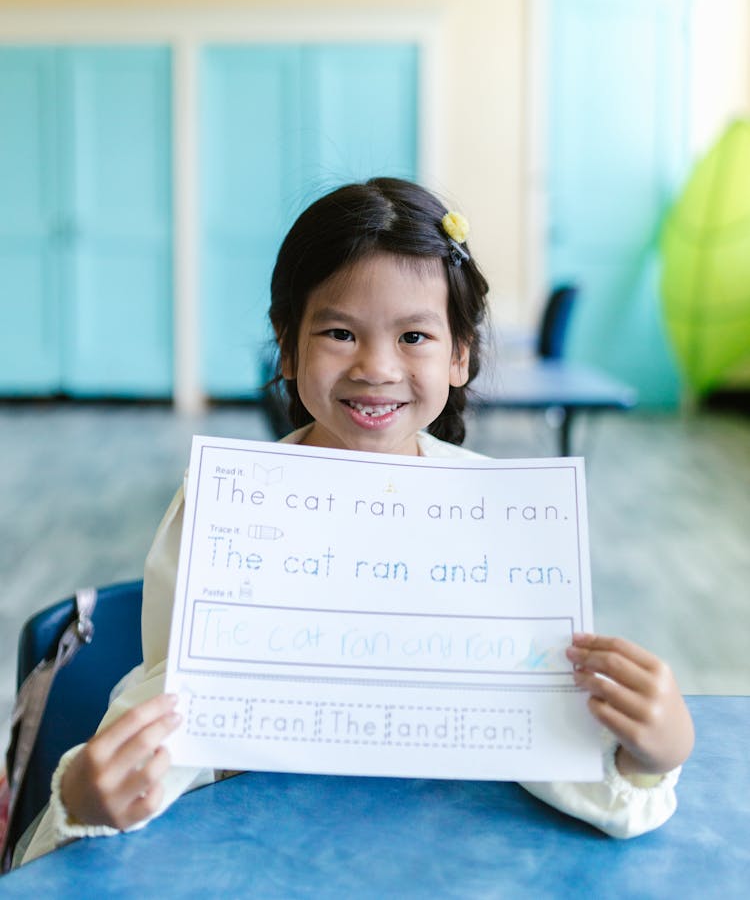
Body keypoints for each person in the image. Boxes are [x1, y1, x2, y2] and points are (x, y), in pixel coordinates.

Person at [22, 178, 694, 863]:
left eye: (414, 335)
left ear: (459, 353)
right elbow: (177, 706)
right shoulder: (226, 508)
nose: (376, 366)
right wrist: (81, 799)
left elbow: (540, 732)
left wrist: (647, 757)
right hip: (251, 854)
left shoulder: (503, 524)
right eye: (340, 332)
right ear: (287, 347)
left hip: (446, 856)